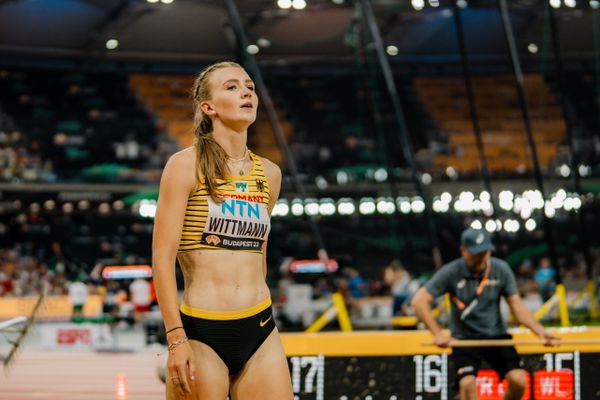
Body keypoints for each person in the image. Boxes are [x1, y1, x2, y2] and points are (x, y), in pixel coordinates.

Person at [152, 61, 293, 400]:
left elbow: (258, 253)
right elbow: (162, 258)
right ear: (208, 107)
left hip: (259, 327)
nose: (246, 92)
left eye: (249, 87)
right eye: (231, 87)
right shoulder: (185, 165)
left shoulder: (270, 174)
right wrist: (175, 338)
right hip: (202, 331)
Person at [411, 228, 558, 400]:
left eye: (485, 252)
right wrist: (437, 333)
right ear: (463, 251)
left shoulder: (501, 269)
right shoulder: (451, 271)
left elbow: (517, 307)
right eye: (476, 253)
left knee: (519, 381)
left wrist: (540, 331)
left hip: (496, 335)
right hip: (464, 339)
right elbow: (419, 301)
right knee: (467, 384)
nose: (482, 257)